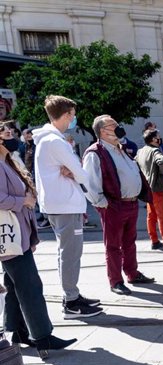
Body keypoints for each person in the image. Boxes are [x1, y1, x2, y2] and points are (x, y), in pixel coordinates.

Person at [0, 121, 77, 356]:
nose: (10, 135)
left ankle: (17, 330)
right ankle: (43, 336)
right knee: (30, 284)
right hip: (9, 235)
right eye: (4, 132)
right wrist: (22, 201)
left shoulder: (8, 161)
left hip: (18, 233)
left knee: (15, 284)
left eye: (11, 132)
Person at [33, 96, 103, 319]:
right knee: (71, 254)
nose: (74, 119)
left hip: (58, 204)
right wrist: (75, 172)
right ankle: (71, 301)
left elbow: (75, 171)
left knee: (66, 252)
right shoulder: (55, 142)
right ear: (65, 115)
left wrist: (72, 171)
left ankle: (72, 295)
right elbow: (82, 174)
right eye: (72, 115)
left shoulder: (47, 139)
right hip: (65, 204)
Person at [83, 115, 156, 295]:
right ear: (102, 131)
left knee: (129, 242)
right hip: (113, 206)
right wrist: (103, 204)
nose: (118, 127)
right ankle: (115, 281)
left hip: (130, 204)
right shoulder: (94, 153)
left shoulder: (120, 149)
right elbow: (90, 183)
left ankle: (132, 273)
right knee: (113, 245)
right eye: (112, 125)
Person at [136, 129, 163, 253]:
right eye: (158, 137)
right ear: (154, 140)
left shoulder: (141, 151)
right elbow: (161, 162)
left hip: (147, 188)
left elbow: (134, 163)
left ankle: (154, 241)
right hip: (158, 187)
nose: (160, 138)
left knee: (151, 216)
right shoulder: (155, 151)